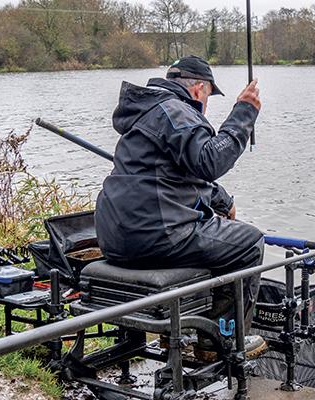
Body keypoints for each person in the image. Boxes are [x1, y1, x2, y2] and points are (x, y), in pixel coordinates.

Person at [95, 55, 265, 357]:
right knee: (249, 243)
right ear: (199, 89)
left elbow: (174, 173)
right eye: (210, 96)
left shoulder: (147, 111)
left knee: (215, 234)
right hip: (156, 237)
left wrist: (223, 202)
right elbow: (210, 160)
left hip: (114, 240)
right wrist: (244, 112)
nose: (207, 105)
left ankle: (182, 329)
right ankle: (219, 342)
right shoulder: (177, 111)